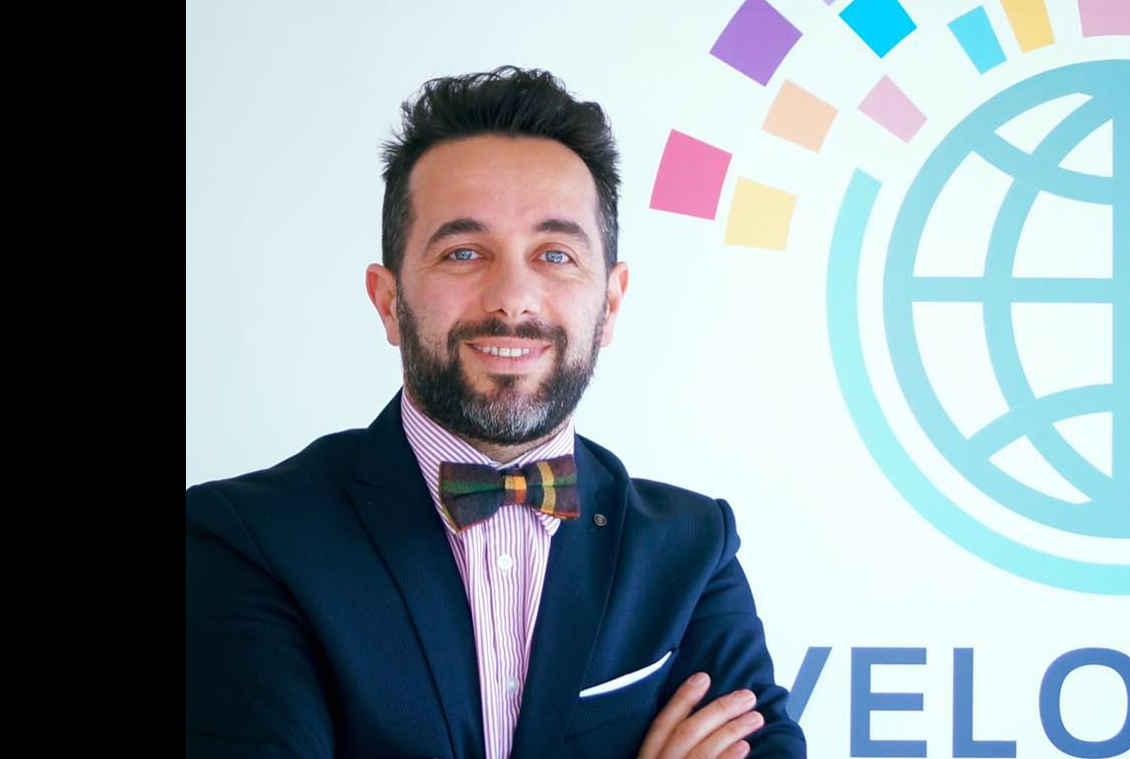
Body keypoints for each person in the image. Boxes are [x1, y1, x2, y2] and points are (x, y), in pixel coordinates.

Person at [186, 65, 805, 759]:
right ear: (389, 302)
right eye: (463, 252)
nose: (512, 296)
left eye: (555, 254)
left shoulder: (692, 548)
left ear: (610, 303)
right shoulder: (250, 540)